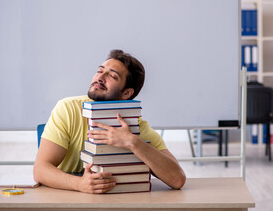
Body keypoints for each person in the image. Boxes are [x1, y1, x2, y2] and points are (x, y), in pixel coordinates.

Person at [33, 49, 186, 194]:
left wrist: (133, 142)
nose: (100, 77)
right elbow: (40, 170)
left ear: (126, 93)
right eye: (100, 71)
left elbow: (177, 179)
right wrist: (79, 184)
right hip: (65, 199)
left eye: (112, 76)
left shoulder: (137, 126)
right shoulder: (68, 109)